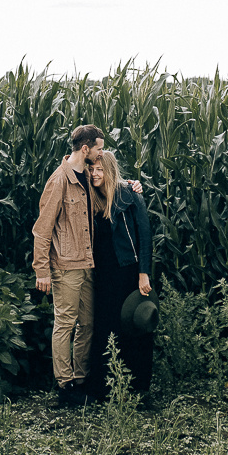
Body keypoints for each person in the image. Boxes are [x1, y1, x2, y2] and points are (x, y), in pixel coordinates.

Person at [32, 124, 105, 406]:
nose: (101, 154)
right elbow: (42, 229)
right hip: (65, 266)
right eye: (98, 148)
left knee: (87, 324)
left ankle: (81, 380)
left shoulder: (86, 176)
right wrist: (42, 271)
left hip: (87, 263)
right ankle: (65, 387)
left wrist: (130, 185)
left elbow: (105, 188)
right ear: (85, 149)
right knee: (65, 324)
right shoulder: (59, 180)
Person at [83, 149, 154, 401]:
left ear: (110, 171)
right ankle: (105, 388)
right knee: (106, 327)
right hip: (103, 274)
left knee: (133, 327)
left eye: (100, 170)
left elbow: (144, 236)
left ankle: (138, 387)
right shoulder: (92, 198)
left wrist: (143, 273)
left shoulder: (129, 195)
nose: (94, 174)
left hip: (128, 271)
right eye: (91, 169)